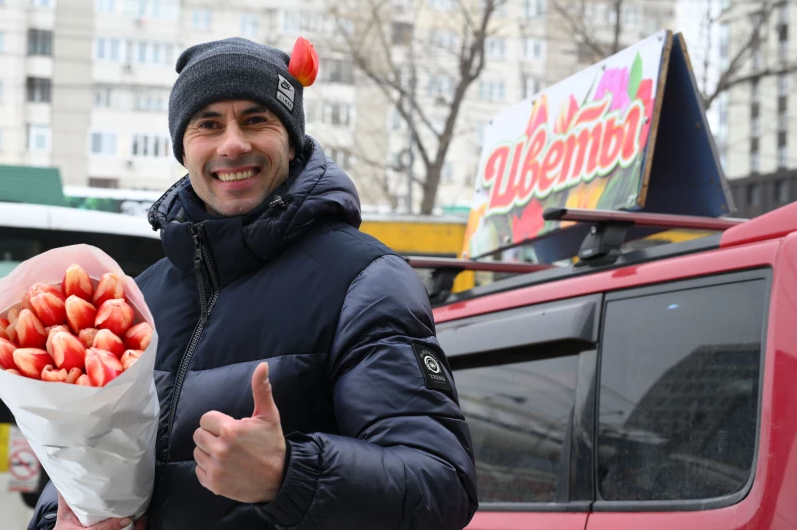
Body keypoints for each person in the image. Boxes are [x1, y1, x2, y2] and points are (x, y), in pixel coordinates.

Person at [28, 36, 477, 530]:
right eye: (208, 125)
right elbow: (72, 474)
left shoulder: (364, 280)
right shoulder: (138, 299)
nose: (233, 144)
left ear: (291, 139)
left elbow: (443, 484)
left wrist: (290, 475)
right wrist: (60, 523)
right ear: (184, 149)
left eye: (256, 120)